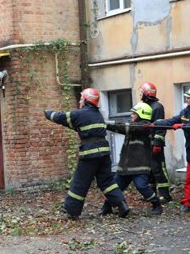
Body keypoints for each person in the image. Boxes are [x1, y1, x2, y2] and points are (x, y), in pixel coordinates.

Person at [44, 88, 130, 219]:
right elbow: (75, 125)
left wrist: (48, 113)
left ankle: (71, 211)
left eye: (81, 98)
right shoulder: (97, 114)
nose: (79, 101)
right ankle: (121, 205)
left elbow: (60, 117)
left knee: (80, 182)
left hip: (90, 154)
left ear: (85, 99)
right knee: (106, 181)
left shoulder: (80, 114)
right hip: (104, 154)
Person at [105, 102, 164, 216]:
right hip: (126, 166)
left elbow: (124, 127)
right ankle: (106, 206)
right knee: (115, 187)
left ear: (141, 114)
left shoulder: (144, 127)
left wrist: (106, 124)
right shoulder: (134, 125)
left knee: (141, 186)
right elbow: (125, 127)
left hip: (139, 166)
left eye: (134, 113)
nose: (131, 115)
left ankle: (156, 204)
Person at [139, 82, 174, 202]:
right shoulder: (146, 106)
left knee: (159, 169)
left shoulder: (157, 107)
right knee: (149, 170)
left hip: (154, 143)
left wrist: (157, 143)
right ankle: (151, 194)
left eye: (142, 93)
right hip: (146, 143)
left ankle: (165, 195)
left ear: (146, 94)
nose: (140, 95)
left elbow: (160, 126)